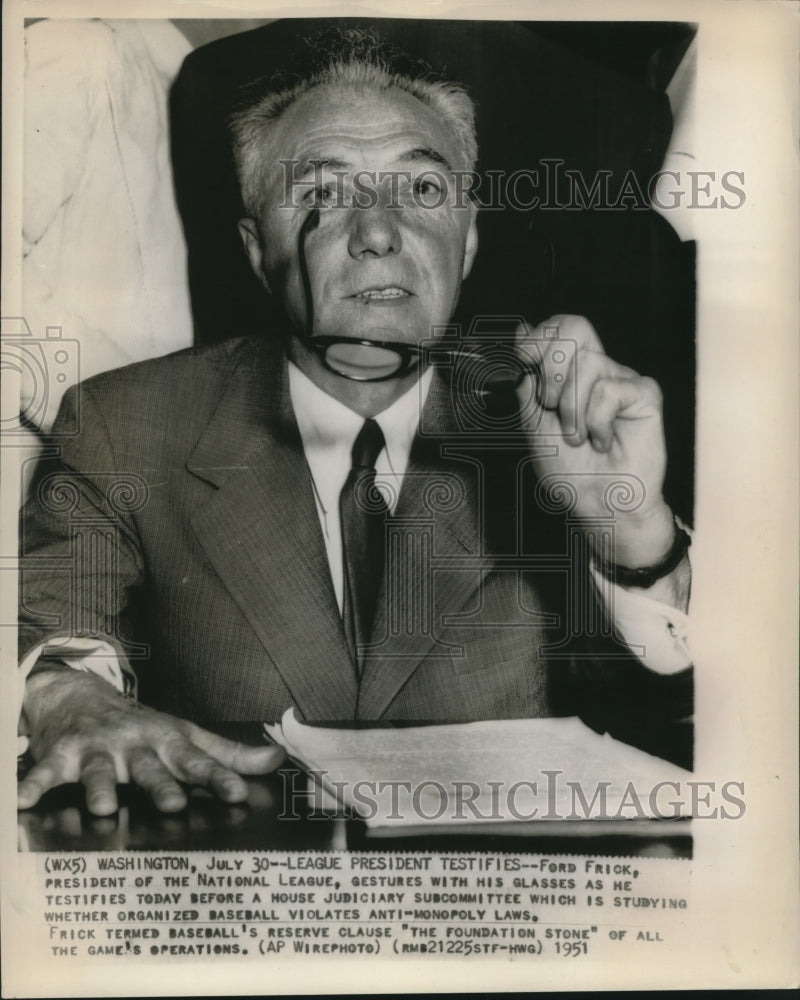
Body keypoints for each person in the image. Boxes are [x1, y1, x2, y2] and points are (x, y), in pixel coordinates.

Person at [17, 29, 692, 819]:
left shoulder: (553, 416)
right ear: (256, 249)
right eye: (321, 194)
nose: (377, 231)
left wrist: (633, 531)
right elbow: (52, 621)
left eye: (424, 190)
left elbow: (694, 706)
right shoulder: (123, 421)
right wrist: (66, 692)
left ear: (469, 238)